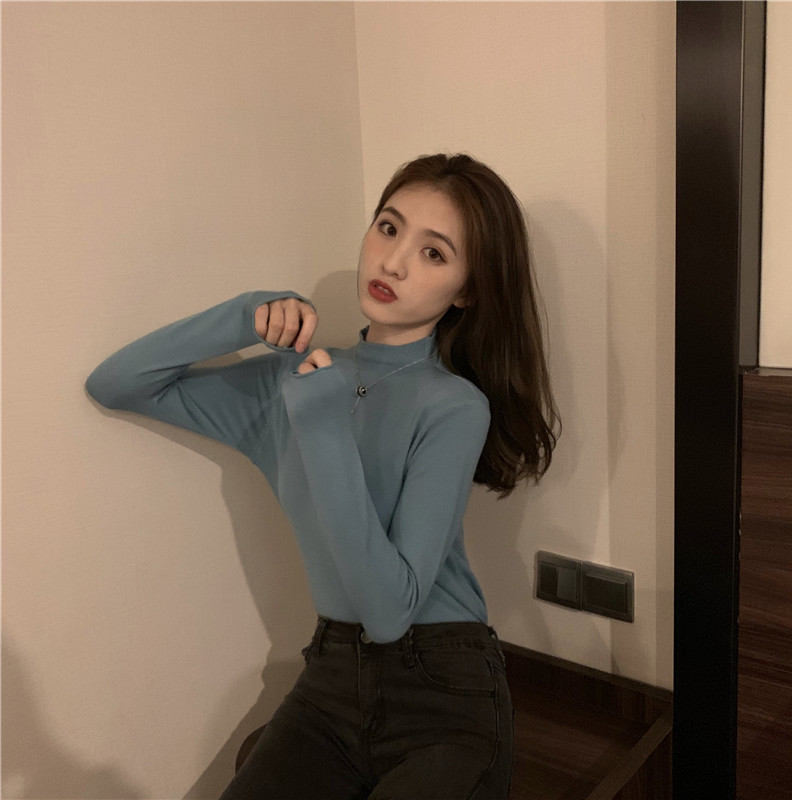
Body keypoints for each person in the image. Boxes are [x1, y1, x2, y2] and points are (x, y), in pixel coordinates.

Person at [86, 153, 559, 799]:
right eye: (388, 228)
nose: (394, 262)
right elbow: (117, 383)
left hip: (445, 690)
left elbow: (390, 611)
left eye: (434, 253)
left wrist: (324, 426)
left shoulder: (453, 406)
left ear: (467, 291)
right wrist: (243, 316)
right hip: (330, 680)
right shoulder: (290, 381)